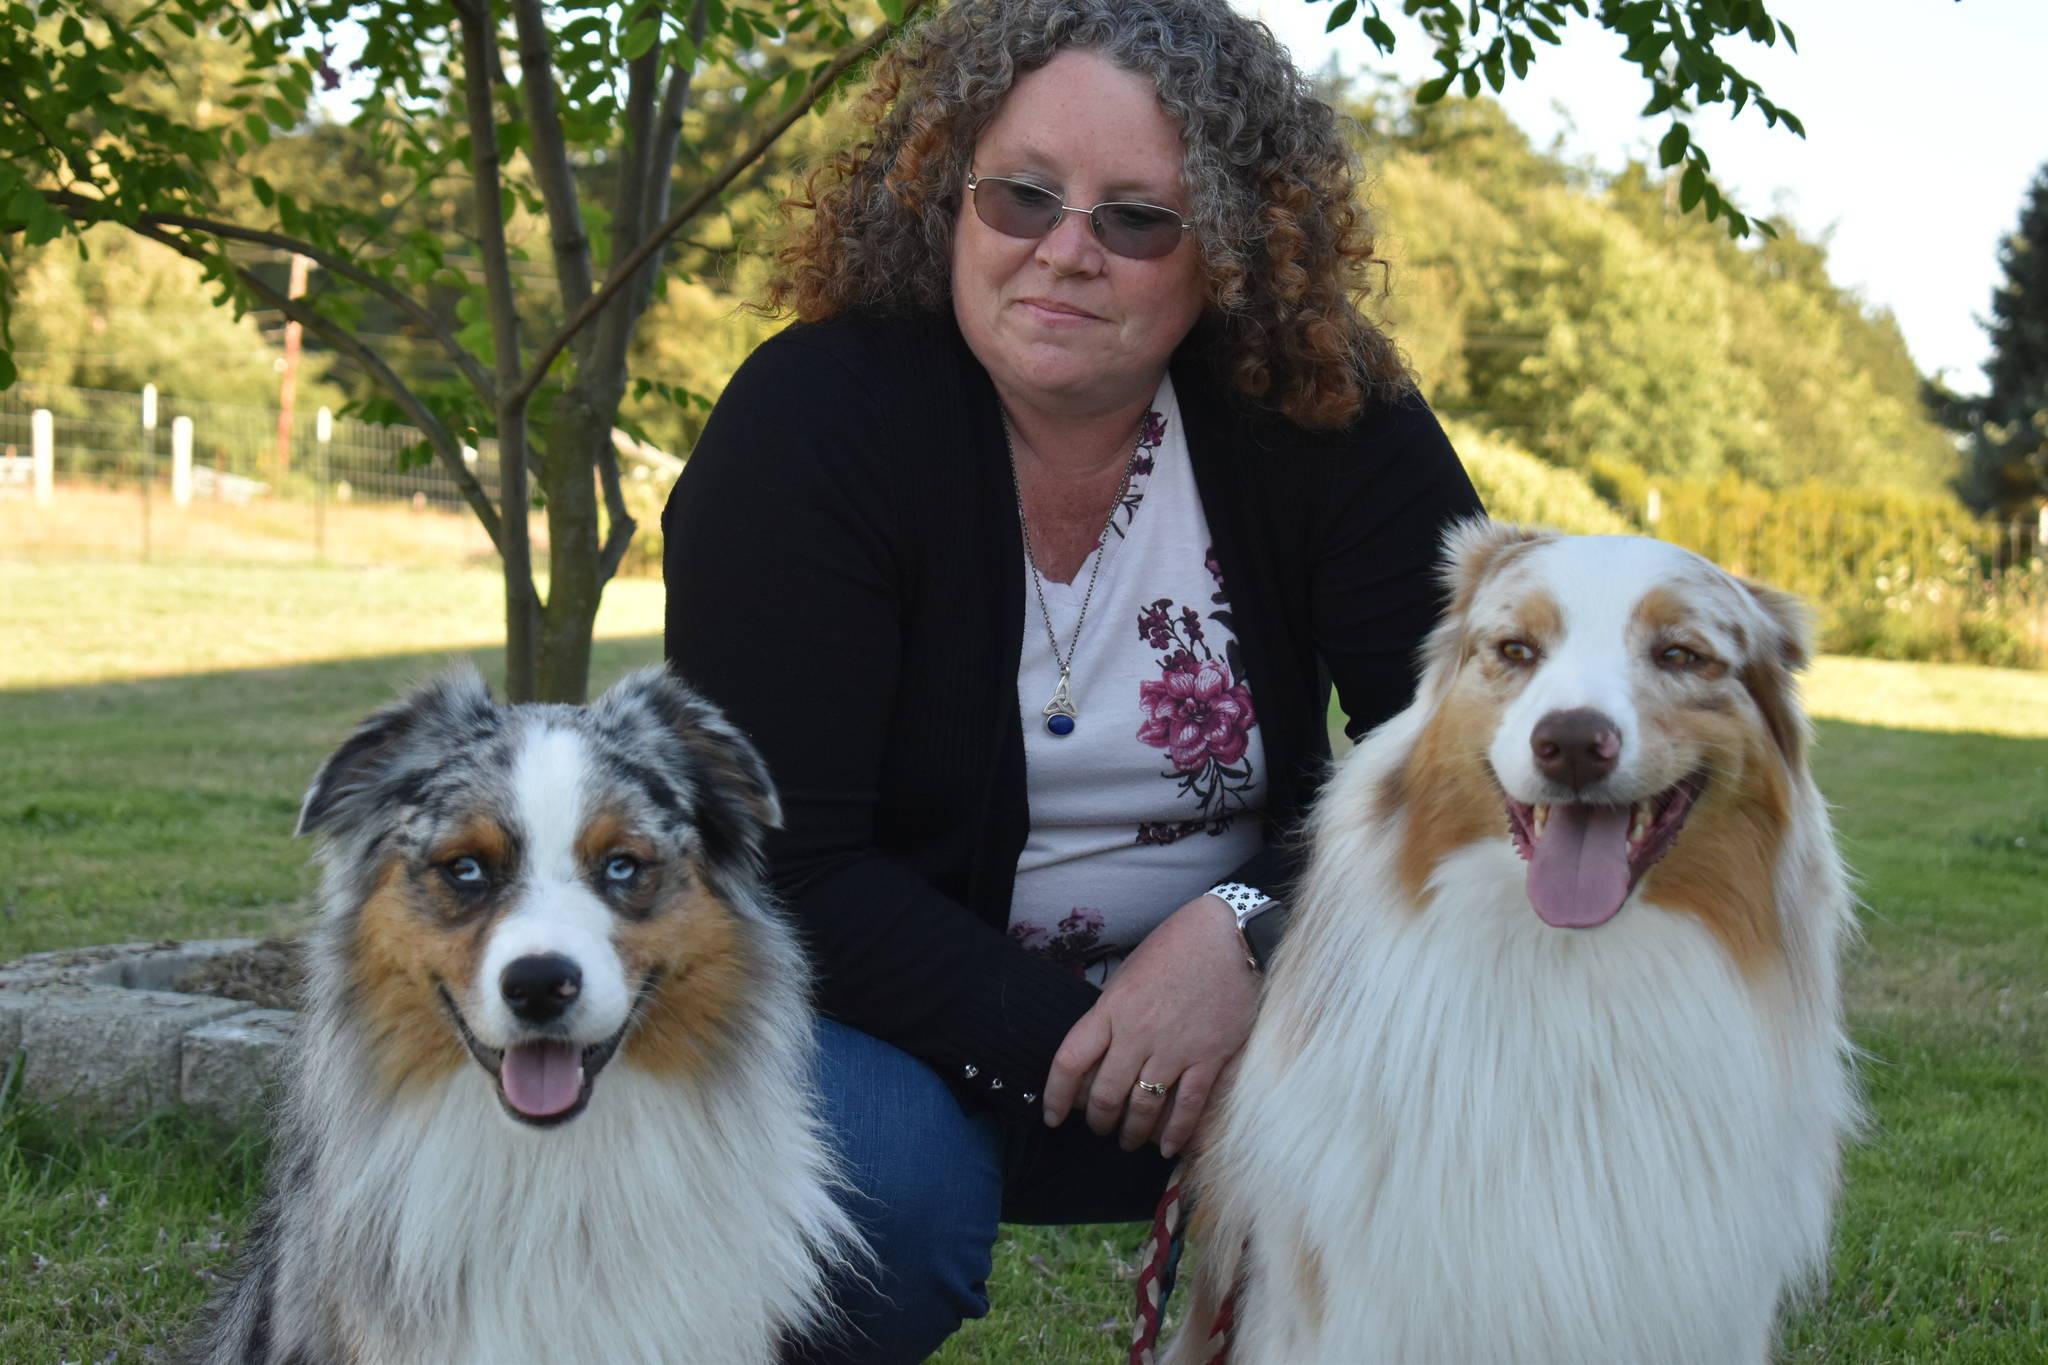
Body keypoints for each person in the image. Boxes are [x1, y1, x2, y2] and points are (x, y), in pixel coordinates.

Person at [662, 1, 1481, 1359]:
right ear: (943, 198)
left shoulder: (1327, 414)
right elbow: (778, 856)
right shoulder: (813, 422)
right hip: (872, 1012)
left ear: (1227, 247)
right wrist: (1108, 1046)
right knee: (886, 1199)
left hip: (1246, 1002)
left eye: (1136, 218)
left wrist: (1249, 930)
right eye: (1020, 196)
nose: (1065, 251)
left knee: (1474, 1111)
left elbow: (1462, 751)